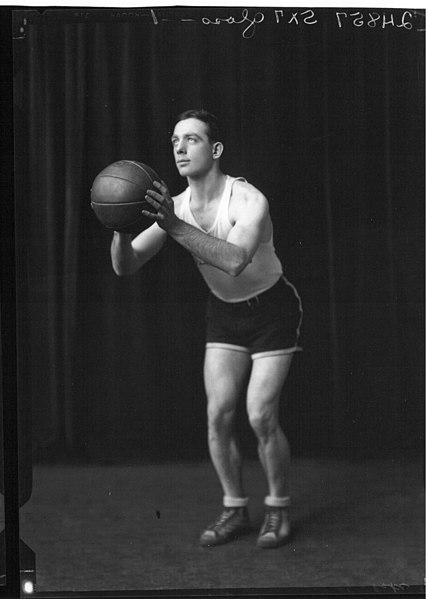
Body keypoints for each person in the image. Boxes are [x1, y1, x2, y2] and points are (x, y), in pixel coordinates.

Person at [110, 109, 303, 549]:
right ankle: (234, 508)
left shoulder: (247, 200)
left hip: (272, 310)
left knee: (260, 415)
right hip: (225, 314)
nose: (179, 148)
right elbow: (126, 266)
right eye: (175, 140)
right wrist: (119, 227)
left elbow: (235, 262)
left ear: (214, 150)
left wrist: (174, 226)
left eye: (191, 139)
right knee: (218, 416)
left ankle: (278, 507)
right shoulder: (176, 206)